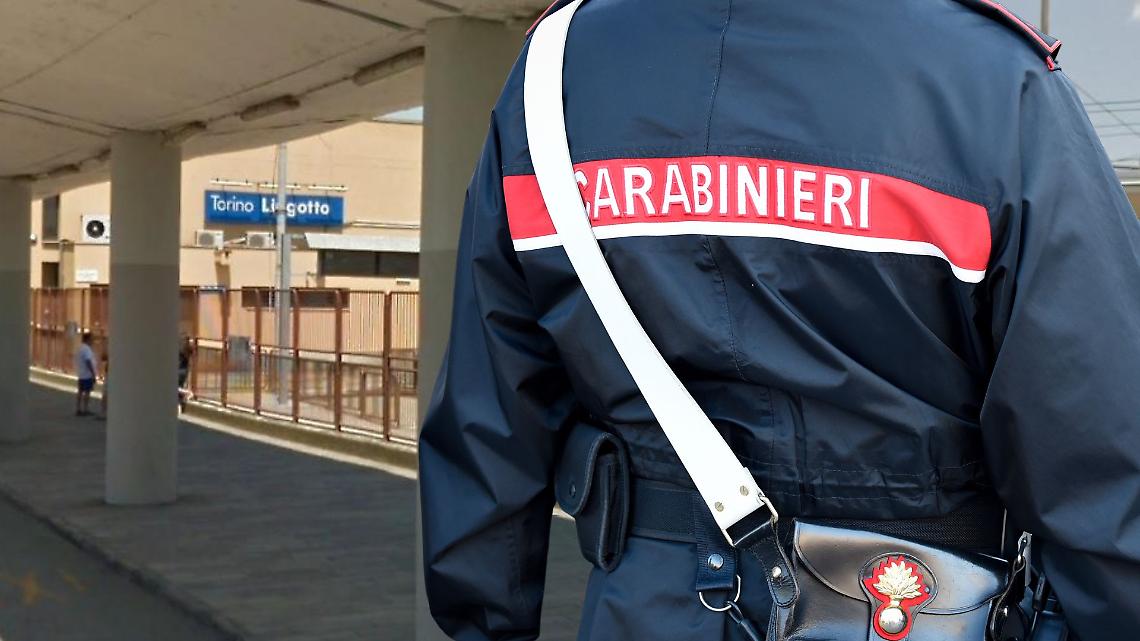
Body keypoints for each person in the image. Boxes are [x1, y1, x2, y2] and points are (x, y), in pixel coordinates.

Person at [419, 2, 1140, 641]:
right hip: (910, 605)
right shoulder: (991, 77)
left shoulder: (554, 71)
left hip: (642, 607)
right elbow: (1100, 447)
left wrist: (484, 619)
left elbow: (489, 419)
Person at [74, 332, 97, 416]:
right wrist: (93, 373)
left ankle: (78, 408)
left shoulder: (80, 348)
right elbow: (88, 361)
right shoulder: (87, 349)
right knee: (87, 391)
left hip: (81, 373)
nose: (93, 341)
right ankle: (85, 409)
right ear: (88, 339)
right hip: (87, 374)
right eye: (92, 339)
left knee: (80, 391)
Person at [178, 335, 194, 412]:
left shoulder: (182, 349)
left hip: (181, 369)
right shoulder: (184, 348)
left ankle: (188, 393)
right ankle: (181, 402)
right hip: (183, 369)